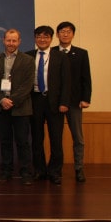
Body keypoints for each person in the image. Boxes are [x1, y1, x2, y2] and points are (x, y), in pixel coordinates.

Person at [0, 29, 35, 185]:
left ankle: (25, 172)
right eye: (8, 40)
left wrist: (12, 100)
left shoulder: (28, 60)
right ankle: (6, 172)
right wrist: (2, 99)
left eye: (14, 40)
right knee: (5, 141)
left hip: (21, 107)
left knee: (23, 142)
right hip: (1, 107)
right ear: (3, 40)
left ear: (19, 42)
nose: (11, 43)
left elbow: (28, 85)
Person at [28, 25, 71, 185]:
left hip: (55, 102)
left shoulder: (60, 56)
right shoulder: (28, 56)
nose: (42, 39)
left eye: (46, 36)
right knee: (37, 138)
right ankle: (39, 170)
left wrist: (64, 102)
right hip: (35, 100)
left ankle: (54, 171)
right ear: (35, 38)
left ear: (51, 39)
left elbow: (67, 82)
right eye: (39, 36)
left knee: (56, 138)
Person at [55, 21, 92, 183]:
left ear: (73, 34)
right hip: (56, 102)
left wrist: (86, 98)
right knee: (56, 137)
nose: (65, 34)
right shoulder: (51, 52)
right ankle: (56, 169)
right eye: (62, 31)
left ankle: (79, 168)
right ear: (57, 34)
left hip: (75, 102)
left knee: (78, 137)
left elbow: (86, 78)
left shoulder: (82, 53)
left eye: (68, 31)